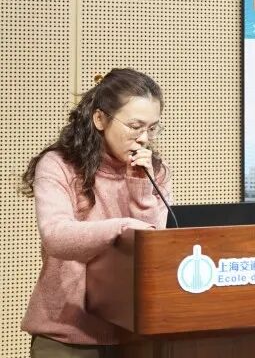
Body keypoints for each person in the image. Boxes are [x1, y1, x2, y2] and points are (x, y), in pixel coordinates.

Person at [20, 68, 172, 357]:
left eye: (152, 128)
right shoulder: (59, 165)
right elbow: (56, 237)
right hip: (67, 333)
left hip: (134, 334)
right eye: (135, 126)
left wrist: (141, 189)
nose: (144, 138)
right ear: (100, 119)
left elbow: (153, 247)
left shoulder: (154, 171)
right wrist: (122, 227)